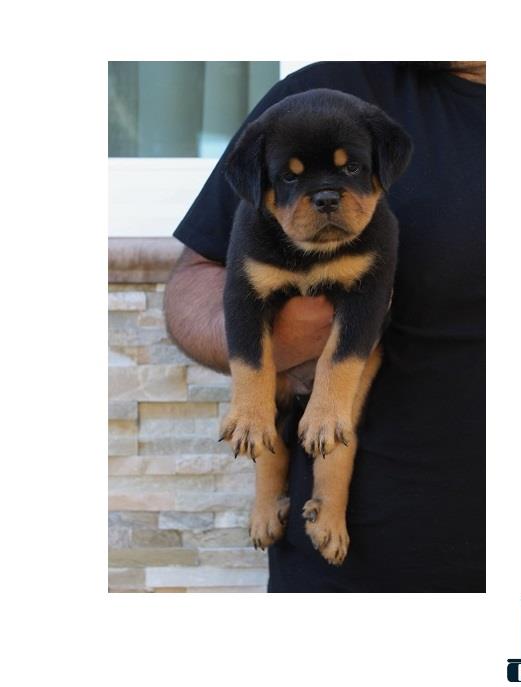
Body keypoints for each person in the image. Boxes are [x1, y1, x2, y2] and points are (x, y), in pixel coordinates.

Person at [165, 61, 485, 592]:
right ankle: (278, 489)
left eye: (349, 172)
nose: (325, 198)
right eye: (292, 179)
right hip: (357, 567)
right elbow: (206, 283)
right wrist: (269, 370)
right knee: (291, 417)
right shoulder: (328, 89)